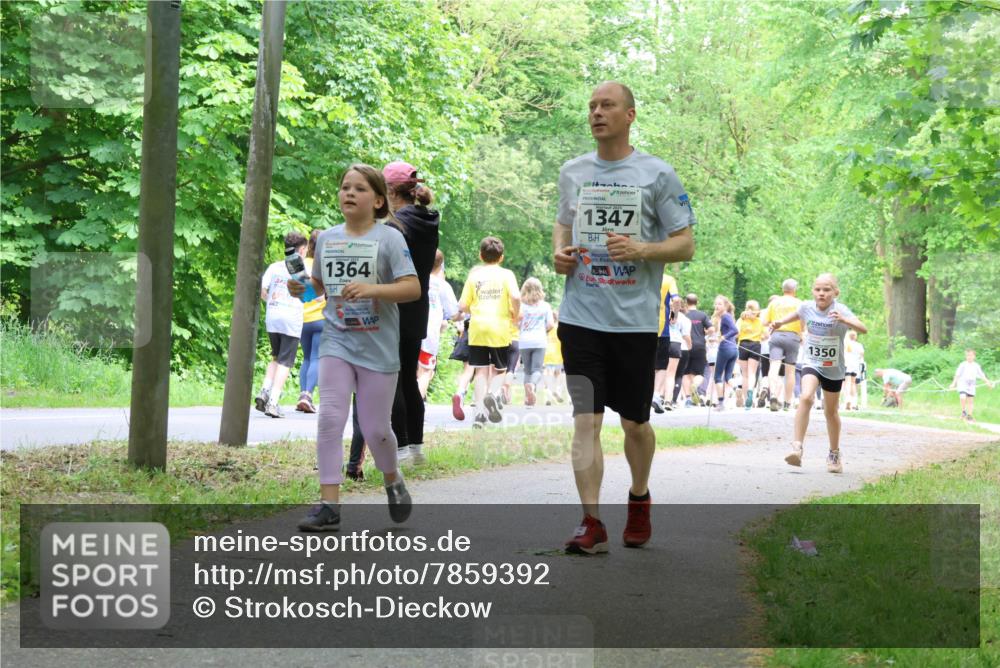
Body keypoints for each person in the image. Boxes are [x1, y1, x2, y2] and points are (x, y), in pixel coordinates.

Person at [553, 81, 696, 554]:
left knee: (635, 425)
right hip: (580, 317)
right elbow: (563, 223)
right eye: (591, 105)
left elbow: (685, 244)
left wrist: (642, 249)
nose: (596, 112)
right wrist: (560, 253)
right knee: (585, 421)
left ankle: (639, 497)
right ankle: (591, 522)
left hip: (634, 321)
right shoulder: (573, 171)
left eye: (607, 105)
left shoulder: (657, 174)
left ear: (630, 114)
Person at [290, 164, 420, 531]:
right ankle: (329, 505)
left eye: (359, 188)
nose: (349, 193)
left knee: (378, 429)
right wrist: (301, 289)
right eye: (345, 187)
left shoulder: (390, 239)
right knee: (331, 417)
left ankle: (392, 479)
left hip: (377, 346)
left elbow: (412, 289)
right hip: (336, 340)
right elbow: (317, 285)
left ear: (378, 200)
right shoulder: (328, 238)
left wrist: (373, 289)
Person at [767, 273, 867, 473]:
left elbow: (863, 329)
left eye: (826, 289)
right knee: (805, 397)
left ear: (835, 292)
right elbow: (797, 314)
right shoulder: (806, 306)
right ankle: (797, 447)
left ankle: (834, 452)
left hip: (833, 366)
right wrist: (779, 323)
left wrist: (844, 319)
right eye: (818, 289)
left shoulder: (840, 309)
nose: (821, 293)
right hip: (812, 362)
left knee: (831, 412)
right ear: (813, 291)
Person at [381, 161, 439, 464]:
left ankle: (401, 447)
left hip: (394, 307)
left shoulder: (395, 225)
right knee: (409, 378)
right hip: (418, 308)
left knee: (394, 378)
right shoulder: (427, 219)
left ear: (390, 189)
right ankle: (416, 448)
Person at [459, 236, 520, 428]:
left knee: (480, 371)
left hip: (478, 328)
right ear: (501, 257)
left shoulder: (474, 276)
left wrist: (474, 310)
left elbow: (462, 305)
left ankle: (478, 414)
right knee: (500, 369)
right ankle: (492, 396)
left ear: (480, 255)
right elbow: (516, 296)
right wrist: (516, 315)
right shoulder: (507, 275)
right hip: (499, 328)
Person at [255, 231, 307, 418]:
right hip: (291, 319)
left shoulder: (274, 267)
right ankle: (273, 402)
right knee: (286, 361)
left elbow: (261, 288)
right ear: (301, 250)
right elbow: (309, 294)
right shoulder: (301, 270)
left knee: (276, 357)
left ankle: (264, 390)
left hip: (273, 316)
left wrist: (269, 300)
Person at [417, 250, 458, 400]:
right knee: (426, 372)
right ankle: (413, 409)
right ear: (441, 265)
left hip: (407, 331)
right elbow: (454, 312)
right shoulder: (442, 285)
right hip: (429, 335)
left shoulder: (413, 279)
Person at [295, 229, 327, 413]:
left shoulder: (302, 265)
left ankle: (302, 394)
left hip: (303, 318)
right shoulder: (323, 265)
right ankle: (307, 394)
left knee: (307, 357)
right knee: (316, 357)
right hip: (321, 319)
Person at [765, 279, 802, 412]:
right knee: (790, 370)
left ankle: (773, 395)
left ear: (783, 289)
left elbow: (764, 321)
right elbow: (803, 321)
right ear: (795, 290)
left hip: (776, 336)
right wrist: (802, 335)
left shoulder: (774, 303)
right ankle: (787, 402)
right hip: (793, 336)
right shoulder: (799, 303)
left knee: (774, 365)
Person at [517, 278, 555, 407]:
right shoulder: (545, 306)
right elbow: (550, 324)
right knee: (537, 369)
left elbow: (517, 323)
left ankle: (528, 400)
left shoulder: (521, 306)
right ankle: (532, 386)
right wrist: (542, 331)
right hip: (539, 341)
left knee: (527, 371)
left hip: (524, 341)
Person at [652, 273, 680, 413]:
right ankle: (656, 395)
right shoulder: (668, 280)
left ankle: (642, 394)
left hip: (640, 325)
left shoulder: (641, 274)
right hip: (661, 327)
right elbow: (676, 300)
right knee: (661, 365)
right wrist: (674, 315)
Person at [663, 295, 691, 410]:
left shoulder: (663, 315)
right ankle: (668, 400)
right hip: (675, 343)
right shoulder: (684, 319)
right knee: (670, 374)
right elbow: (686, 335)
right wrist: (690, 346)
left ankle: (657, 396)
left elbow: (672, 320)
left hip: (663, 342)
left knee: (659, 372)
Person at [683, 294, 711, 406]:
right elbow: (712, 329)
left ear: (686, 302)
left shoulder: (683, 315)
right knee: (699, 373)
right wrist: (704, 332)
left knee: (686, 373)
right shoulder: (702, 315)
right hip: (700, 346)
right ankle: (695, 385)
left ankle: (688, 399)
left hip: (685, 346)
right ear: (697, 302)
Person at [950, 349, 993, 421]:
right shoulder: (963, 364)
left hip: (971, 384)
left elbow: (982, 375)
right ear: (966, 356)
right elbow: (957, 375)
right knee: (962, 396)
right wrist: (953, 383)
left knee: (970, 401)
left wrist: (988, 382)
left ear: (974, 356)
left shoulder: (976, 366)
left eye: (971, 355)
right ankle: (963, 412)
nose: (969, 357)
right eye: (967, 355)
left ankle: (969, 415)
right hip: (962, 383)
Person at [736, 300, 763, 410]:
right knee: (752, 373)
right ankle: (751, 391)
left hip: (743, 345)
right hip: (755, 345)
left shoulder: (741, 320)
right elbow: (765, 335)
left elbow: (736, 333)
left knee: (745, 374)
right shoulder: (759, 321)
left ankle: (746, 397)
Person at [712, 295, 738, 411]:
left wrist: (724, 337)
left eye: (720, 304)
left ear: (725, 306)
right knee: (728, 377)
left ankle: (720, 403)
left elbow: (735, 330)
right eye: (716, 304)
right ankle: (736, 388)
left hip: (725, 349)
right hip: (733, 349)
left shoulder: (726, 316)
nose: (717, 306)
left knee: (717, 376)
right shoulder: (726, 317)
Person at [543, 312, 567, 404]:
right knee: (557, 374)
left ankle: (548, 396)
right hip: (558, 354)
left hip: (547, 354)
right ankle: (556, 390)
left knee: (547, 374)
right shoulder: (559, 328)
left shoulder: (546, 328)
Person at [842, 330, 864, 411]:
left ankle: (848, 399)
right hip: (855, 365)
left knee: (846, 383)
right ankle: (854, 402)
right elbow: (861, 355)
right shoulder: (859, 345)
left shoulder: (845, 344)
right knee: (853, 383)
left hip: (846, 364)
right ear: (855, 337)